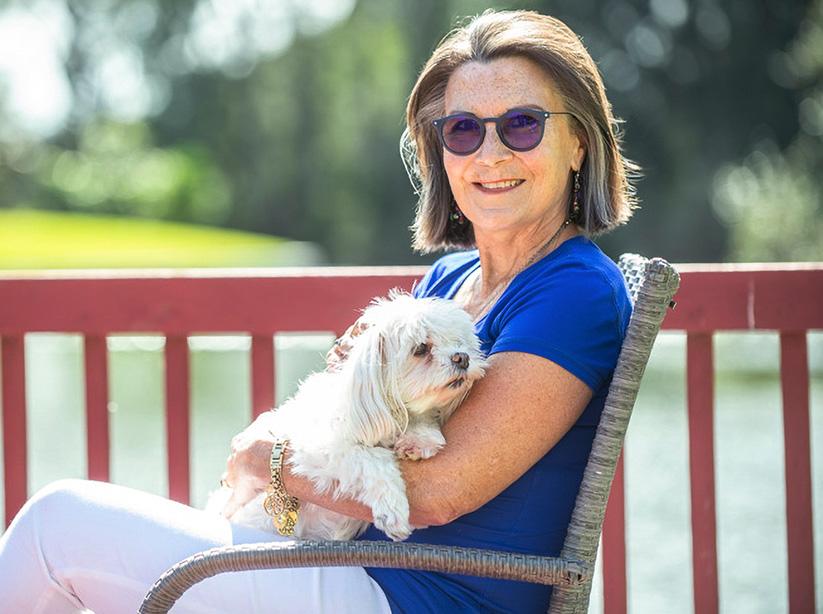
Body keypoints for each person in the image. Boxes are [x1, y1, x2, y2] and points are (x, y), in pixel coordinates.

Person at [0, 9, 635, 613]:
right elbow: (358, 417)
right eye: (464, 129)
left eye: (521, 124)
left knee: (58, 525)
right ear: (441, 151)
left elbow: (441, 493)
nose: (489, 154)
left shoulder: (573, 291)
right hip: (338, 564)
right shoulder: (448, 278)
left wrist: (267, 462)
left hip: (424, 599)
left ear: (579, 143)